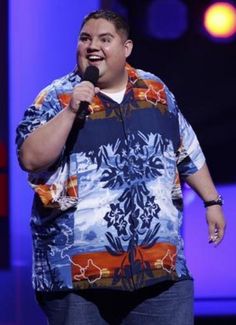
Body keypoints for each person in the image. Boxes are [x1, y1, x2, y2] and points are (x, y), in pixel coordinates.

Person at [16, 9, 226, 325]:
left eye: (104, 39)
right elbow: (30, 157)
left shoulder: (154, 91)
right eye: (85, 38)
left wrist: (212, 201)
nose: (92, 46)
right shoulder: (56, 96)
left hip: (159, 270)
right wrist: (72, 110)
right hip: (79, 277)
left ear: (126, 48)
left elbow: (186, 149)